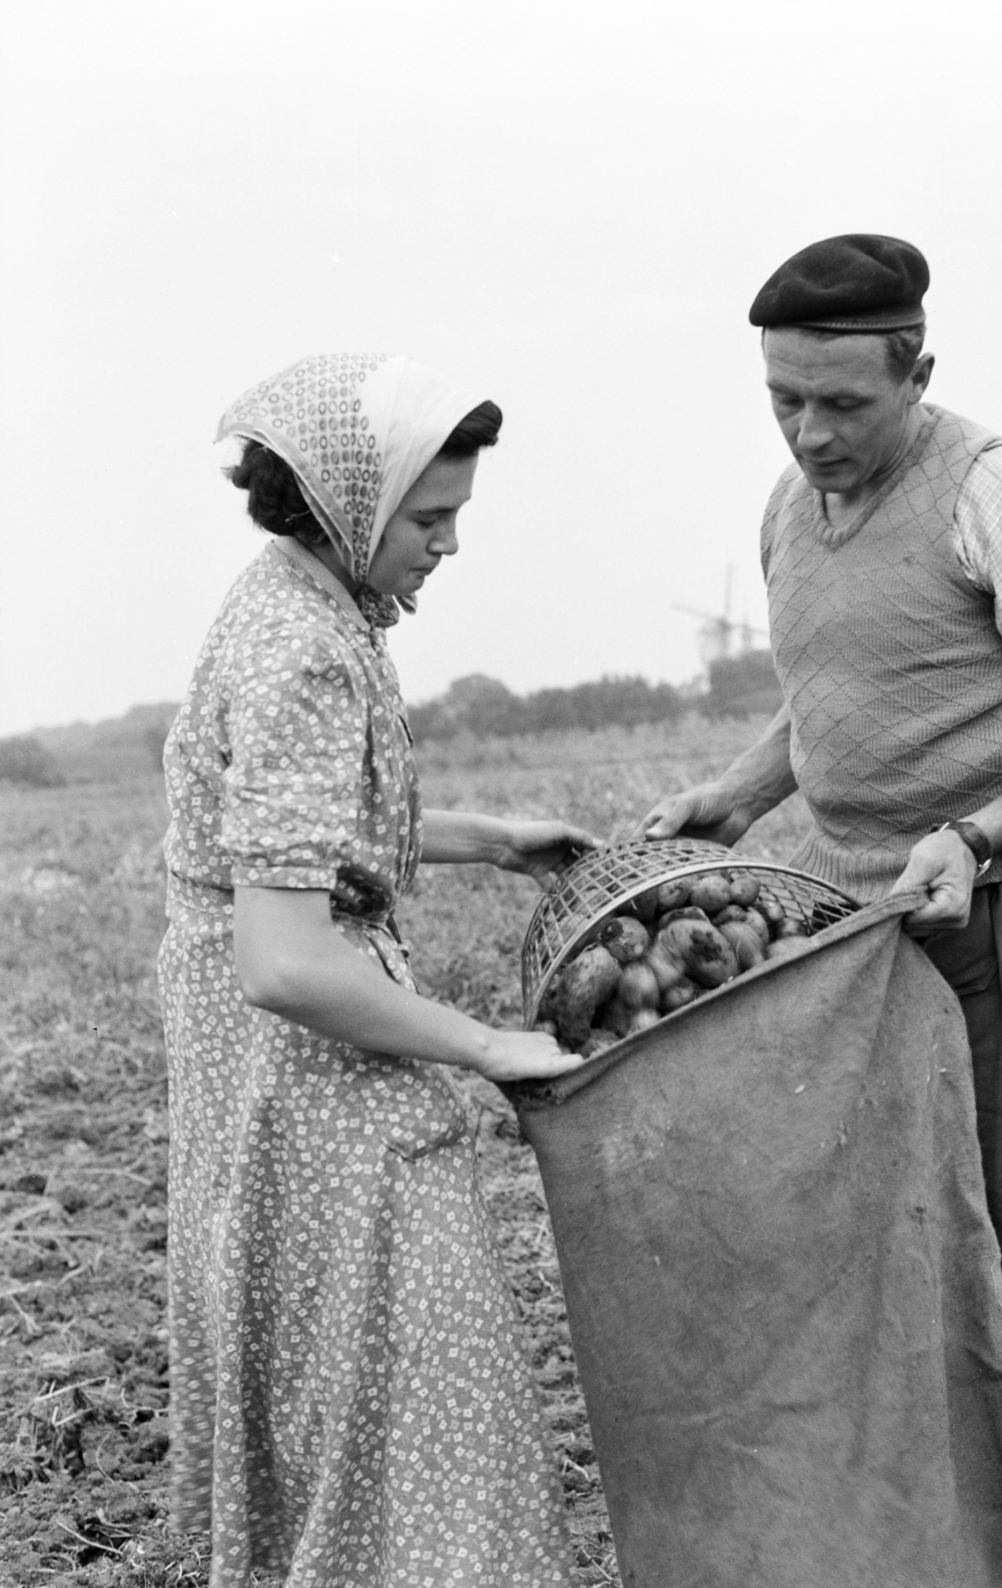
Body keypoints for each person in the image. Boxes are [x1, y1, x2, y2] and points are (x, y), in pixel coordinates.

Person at [641, 236, 1002, 1588]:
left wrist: (978, 830)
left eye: (844, 403)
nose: (811, 432)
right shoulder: (788, 507)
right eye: (784, 399)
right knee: (919, 1283)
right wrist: (737, 796)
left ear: (920, 369)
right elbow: (844, 679)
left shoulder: (997, 492)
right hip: (862, 948)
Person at [160, 352, 594, 1588]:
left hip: (275, 1095)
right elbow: (286, 959)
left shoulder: (293, 604)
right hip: (311, 1091)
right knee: (411, 1386)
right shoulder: (300, 652)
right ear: (354, 506)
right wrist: (485, 1044)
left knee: (356, 1400)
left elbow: (289, 836)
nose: (448, 545)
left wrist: (489, 839)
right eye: (430, 518)